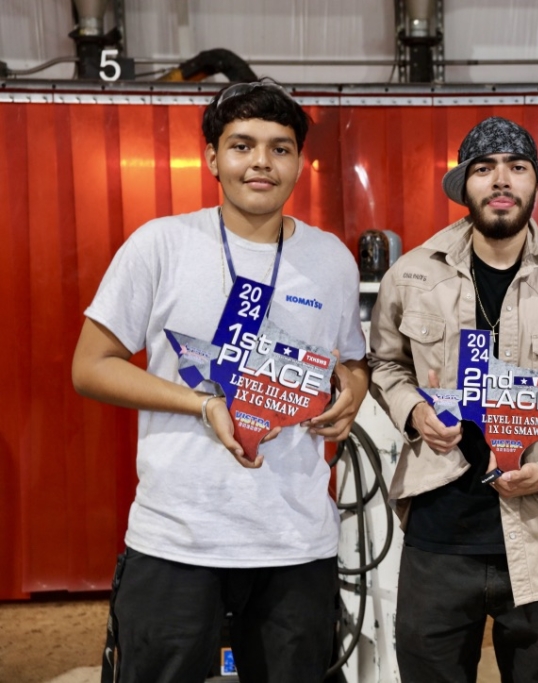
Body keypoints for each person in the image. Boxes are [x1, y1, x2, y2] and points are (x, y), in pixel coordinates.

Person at [71, 79, 368, 683]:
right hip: (178, 535)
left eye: (280, 148)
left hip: (296, 538)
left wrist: (354, 388)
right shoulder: (161, 244)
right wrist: (203, 405)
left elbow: (351, 361)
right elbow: (90, 367)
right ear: (213, 158)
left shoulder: (332, 257)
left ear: (300, 163)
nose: (261, 162)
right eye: (242, 145)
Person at [368, 116, 538, 682]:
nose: (501, 180)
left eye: (517, 168)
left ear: (536, 183)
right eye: (484, 168)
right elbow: (384, 365)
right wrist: (413, 411)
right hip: (438, 540)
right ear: (464, 184)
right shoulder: (413, 275)